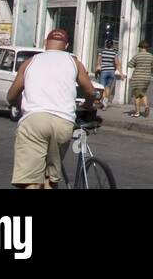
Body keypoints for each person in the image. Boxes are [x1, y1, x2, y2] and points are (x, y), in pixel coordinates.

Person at [7, 28, 97, 189]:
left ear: (45, 44)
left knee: (30, 181)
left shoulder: (30, 62)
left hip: (35, 120)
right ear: (67, 45)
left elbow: (11, 95)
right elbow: (91, 91)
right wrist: (87, 105)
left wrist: (19, 105)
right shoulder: (74, 62)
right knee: (50, 177)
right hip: (63, 122)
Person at [126, 40, 153, 118]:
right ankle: (146, 107)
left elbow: (129, 65)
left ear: (140, 47)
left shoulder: (137, 56)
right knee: (143, 93)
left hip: (137, 78)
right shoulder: (151, 56)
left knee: (137, 96)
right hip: (146, 78)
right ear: (147, 48)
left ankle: (137, 112)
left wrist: (137, 65)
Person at [95, 39, 121, 110]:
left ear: (106, 44)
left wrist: (97, 69)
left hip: (103, 71)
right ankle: (105, 103)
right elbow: (116, 63)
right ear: (112, 45)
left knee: (102, 88)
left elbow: (99, 61)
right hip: (111, 71)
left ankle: (103, 103)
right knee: (108, 87)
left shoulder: (102, 51)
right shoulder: (114, 52)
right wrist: (120, 72)